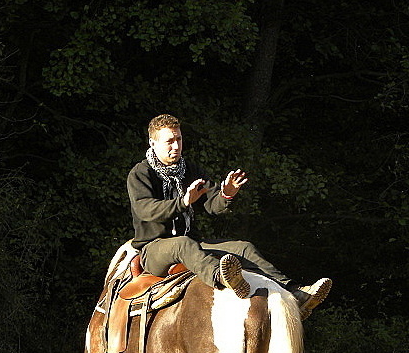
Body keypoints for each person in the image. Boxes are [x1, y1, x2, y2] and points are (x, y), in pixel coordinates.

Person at [127, 113, 331, 319]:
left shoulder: (189, 170)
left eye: (179, 139)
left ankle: (295, 293)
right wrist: (183, 202)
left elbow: (212, 205)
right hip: (154, 248)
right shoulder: (140, 174)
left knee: (244, 247)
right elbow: (145, 210)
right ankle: (225, 278)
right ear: (153, 143)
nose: (176, 146)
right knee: (183, 244)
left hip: (192, 242)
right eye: (169, 141)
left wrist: (227, 194)